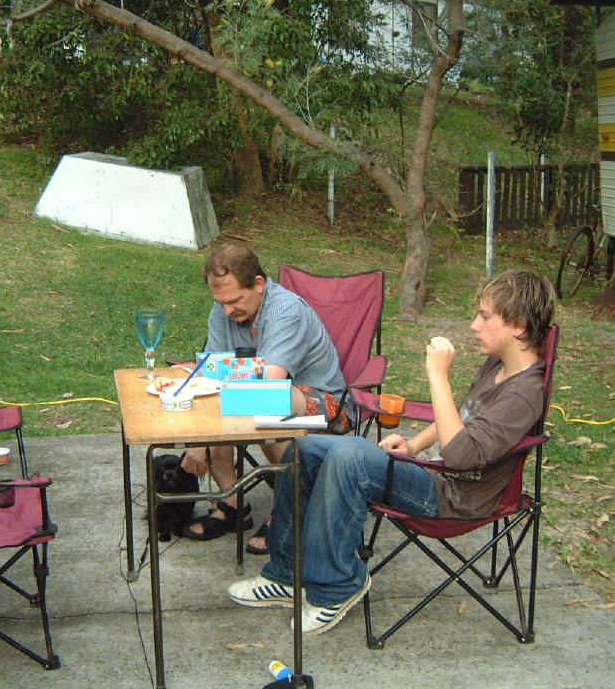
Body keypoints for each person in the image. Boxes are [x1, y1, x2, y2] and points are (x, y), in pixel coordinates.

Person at [227, 269, 556, 635]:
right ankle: (286, 573)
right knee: (306, 448)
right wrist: (414, 444)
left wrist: (438, 377)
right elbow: (462, 416)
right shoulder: (499, 365)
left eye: (485, 316)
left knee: (351, 458)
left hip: (456, 497)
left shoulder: (524, 394)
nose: (474, 325)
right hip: (435, 473)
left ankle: (336, 587)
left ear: (519, 327)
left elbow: (461, 455)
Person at [180, 245, 348, 548]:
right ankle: (233, 503)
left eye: (233, 301)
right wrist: (201, 430)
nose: (227, 311)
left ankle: (289, 512)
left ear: (258, 284)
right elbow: (211, 373)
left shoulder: (286, 310)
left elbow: (267, 383)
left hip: (327, 404)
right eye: (220, 302)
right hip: (263, 396)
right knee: (220, 397)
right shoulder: (224, 308)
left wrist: (202, 439)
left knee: (261, 405)